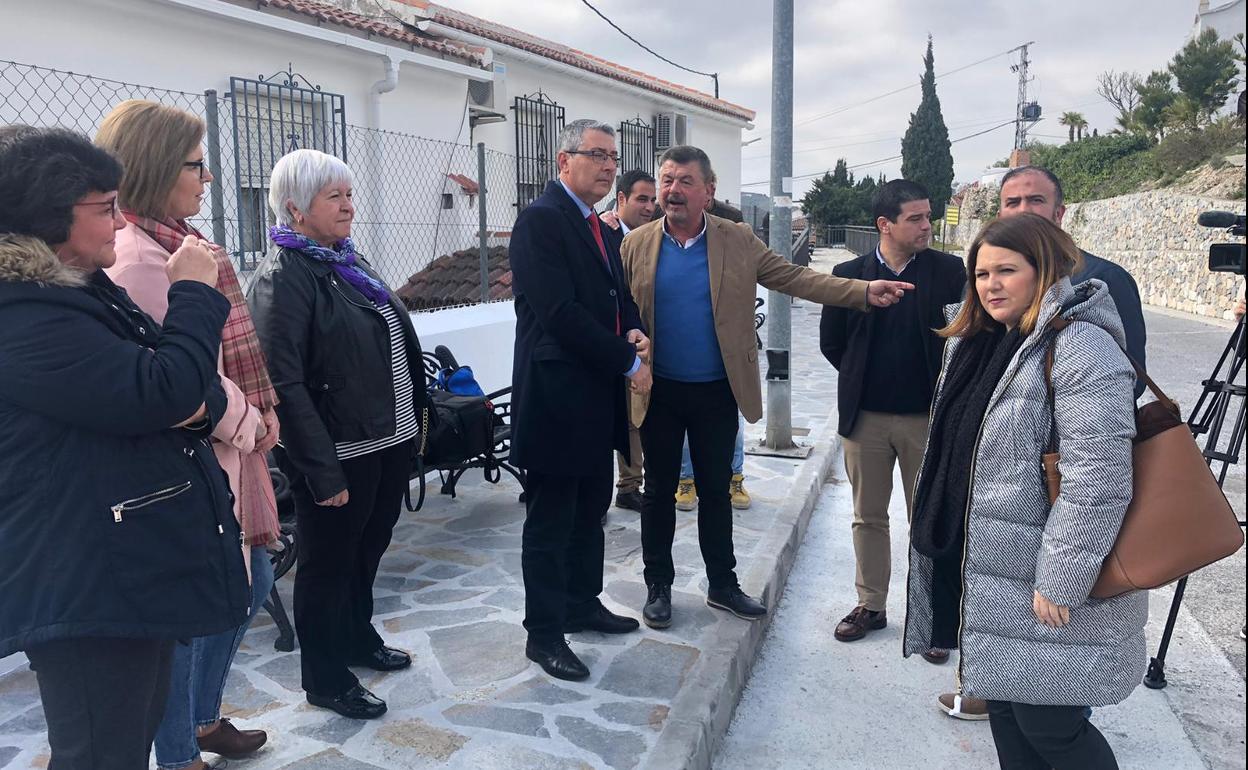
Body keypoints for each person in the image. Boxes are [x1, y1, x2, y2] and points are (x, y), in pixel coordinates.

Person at [0, 126, 249, 769]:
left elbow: (165, 385)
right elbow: (160, 389)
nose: (118, 220)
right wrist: (195, 291)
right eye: (103, 207)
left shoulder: (74, 287)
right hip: (80, 577)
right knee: (98, 750)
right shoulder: (24, 314)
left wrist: (186, 400)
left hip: (118, 563)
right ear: (48, 214)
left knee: (128, 734)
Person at [620, 145, 912, 630]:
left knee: (716, 490)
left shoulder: (736, 239)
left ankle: (722, 584)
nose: (672, 190)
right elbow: (623, 310)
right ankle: (659, 587)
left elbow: (793, 278)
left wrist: (861, 292)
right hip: (659, 391)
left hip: (717, 389)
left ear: (708, 192)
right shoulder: (637, 244)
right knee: (659, 494)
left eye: (685, 181)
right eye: (667, 180)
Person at [904, 213, 1143, 769]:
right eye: (981, 273)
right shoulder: (984, 342)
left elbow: (1099, 478)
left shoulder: (1080, 345)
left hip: (1048, 579)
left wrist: (1063, 579)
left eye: (1006, 270)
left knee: (1052, 725)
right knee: (1010, 715)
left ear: (1046, 271)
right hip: (996, 571)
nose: (990, 285)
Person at [96, 100, 279, 768]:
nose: (207, 180)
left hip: (220, 455)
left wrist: (258, 409)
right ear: (153, 168)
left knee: (250, 583)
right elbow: (181, 376)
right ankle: (179, 753)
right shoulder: (140, 260)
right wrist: (250, 418)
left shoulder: (180, 245)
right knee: (185, 622)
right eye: (197, 166)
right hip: (188, 465)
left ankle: (201, 721)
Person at [248, 148, 424, 719]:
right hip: (338, 453)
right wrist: (320, 470)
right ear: (296, 210)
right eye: (335, 197)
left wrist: (411, 429)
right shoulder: (284, 278)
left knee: (367, 548)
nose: (349, 206)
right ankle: (325, 675)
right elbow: (284, 384)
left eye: (349, 195)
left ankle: (356, 636)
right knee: (327, 565)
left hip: (386, 440)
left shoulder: (344, 261)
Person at [510, 119, 652, 681]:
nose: (609, 166)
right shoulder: (541, 222)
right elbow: (559, 313)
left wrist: (636, 330)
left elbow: (616, 300)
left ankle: (582, 602)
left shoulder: (598, 226)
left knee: (589, 509)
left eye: (613, 157)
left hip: (594, 399)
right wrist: (628, 361)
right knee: (550, 522)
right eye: (597, 155)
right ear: (563, 161)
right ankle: (543, 633)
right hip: (556, 399)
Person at [818, 180, 965, 663]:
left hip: (928, 421)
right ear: (885, 225)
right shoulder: (847, 274)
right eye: (916, 219)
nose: (927, 226)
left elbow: (963, 339)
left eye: (929, 216)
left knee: (927, 519)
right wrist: (865, 377)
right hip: (866, 422)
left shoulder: (949, 272)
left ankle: (933, 617)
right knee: (868, 517)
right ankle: (871, 605)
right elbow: (832, 344)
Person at [605, 169, 657, 514]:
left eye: (652, 200)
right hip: (615, 344)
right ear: (621, 199)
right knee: (627, 417)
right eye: (642, 199)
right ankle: (627, 485)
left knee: (643, 416)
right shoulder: (604, 235)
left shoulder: (656, 236)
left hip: (648, 339)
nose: (650, 206)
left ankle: (635, 482)